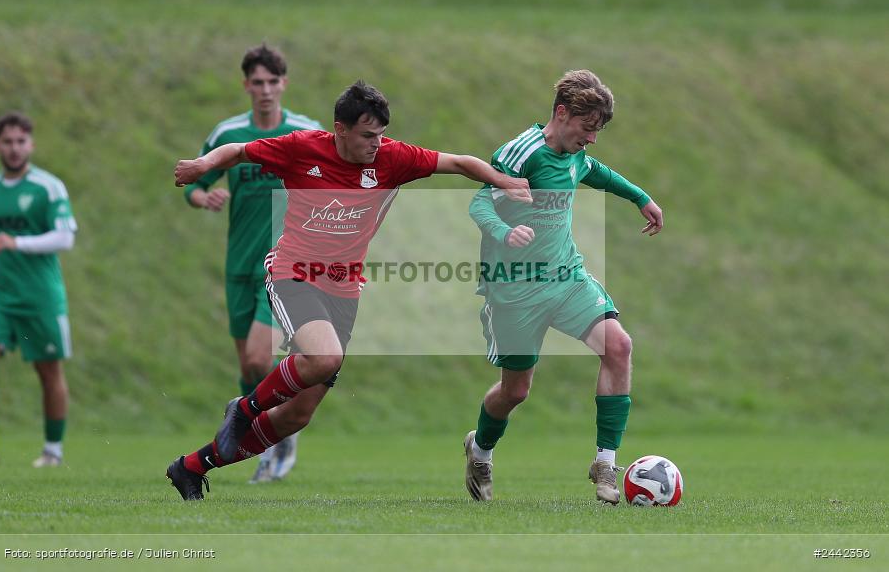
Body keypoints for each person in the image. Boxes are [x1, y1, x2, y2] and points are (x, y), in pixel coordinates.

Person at [165, 80, 531, 500]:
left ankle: (191, 467)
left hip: (343, 291)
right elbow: (239, 150)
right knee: (323, 358)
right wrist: (201, 166)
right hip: (293, 273)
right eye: (366, 135)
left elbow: (460, 162)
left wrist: (504, 182)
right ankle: (245, 409)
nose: (377, 143)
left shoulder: (392, 158)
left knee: (296, 415)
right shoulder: (303, 147)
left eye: (380, 134)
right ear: (340, 129)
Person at [463, 70, 664, 504]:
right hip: (515, 291)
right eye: (587, 128)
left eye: (598, 131)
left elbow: (597, 172)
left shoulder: (576, 153)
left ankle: (606, 463)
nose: (591, 139)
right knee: (515, 390)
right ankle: (479, 449)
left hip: (565, 277)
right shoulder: (522, 153)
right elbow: (480, 202)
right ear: (561, 113)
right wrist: (503, 232)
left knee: (619, 346)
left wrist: (641, 198)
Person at [182, 44, 320, 483]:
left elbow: (333, 177)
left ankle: (281, 438)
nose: (264, 90)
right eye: (256, 82)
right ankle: (261, 441)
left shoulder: (304, 132)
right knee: (247, 367)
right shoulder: (227, 134)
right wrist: (203, 196)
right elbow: (196, 181)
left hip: (283, 264)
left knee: (262, 356)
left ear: (284, 84)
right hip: (238, 264)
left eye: (272, 82)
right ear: (246, 85)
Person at [0, 112, 78, 467]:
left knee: (49, 372)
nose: (14, 149)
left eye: (20, 141)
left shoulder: (48, 187)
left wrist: (19, 243)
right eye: (7, 142)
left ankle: (53, 451)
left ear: (31, 144)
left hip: (40, 295)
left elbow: (65, 237)